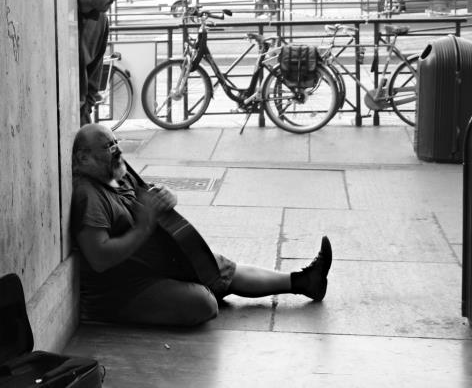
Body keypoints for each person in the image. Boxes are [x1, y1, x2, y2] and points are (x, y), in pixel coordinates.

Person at [70, 124, 332, 327]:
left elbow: (148, 199)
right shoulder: (89, 194)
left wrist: (166, 198)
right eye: (107, 146)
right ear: (83, 158)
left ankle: (304, 281)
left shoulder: (116, 172)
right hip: (126, 289)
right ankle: (193, 290)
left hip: (158, 264)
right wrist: (143, 227)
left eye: (116, 142)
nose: (117, 149)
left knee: (215, 265)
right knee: (203, 303)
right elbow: (99, 258)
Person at [77, 0, 123, 126]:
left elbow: (94, 71)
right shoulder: (60, 12)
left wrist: (85, 107)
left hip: (80, 115)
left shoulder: (101, 21)